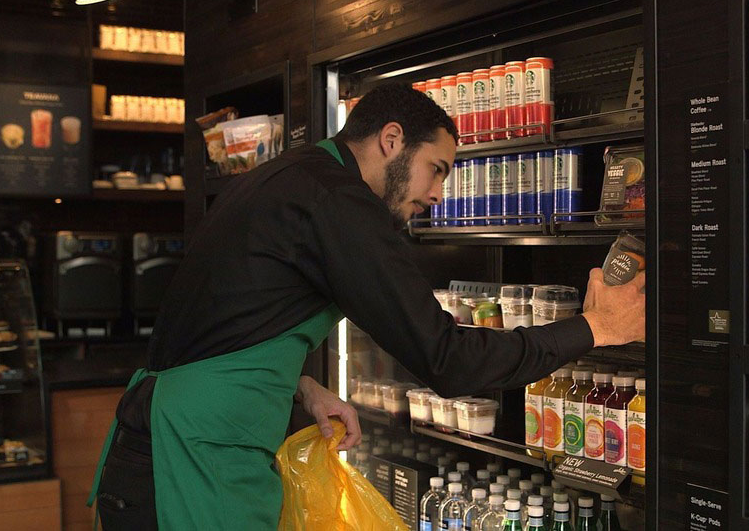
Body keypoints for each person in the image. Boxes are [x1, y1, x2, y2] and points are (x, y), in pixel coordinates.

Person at [89, 83, 645, 530]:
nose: (437, 195)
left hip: (158, 448)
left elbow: (221, 320)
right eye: (438, 169)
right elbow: (449, 360)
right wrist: (595, 327)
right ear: (392, 139)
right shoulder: (340, 204)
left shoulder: (294, 176)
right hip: (190, 463)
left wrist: (300, 387)